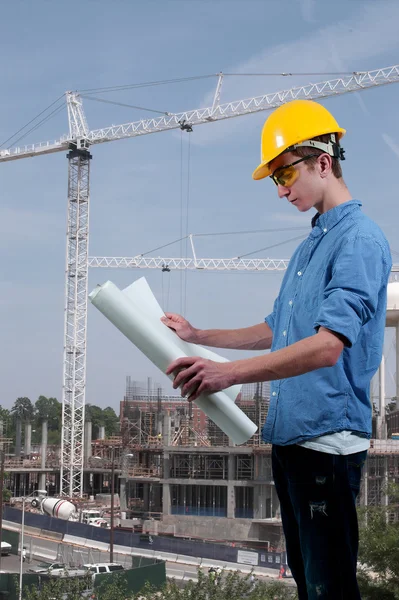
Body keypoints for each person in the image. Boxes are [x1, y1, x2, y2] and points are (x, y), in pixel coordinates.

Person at [161, 99, 392, 600]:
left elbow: (328, 347)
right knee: (311, 586)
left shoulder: (359, 241)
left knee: (329, 589)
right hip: (292, 440)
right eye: (275, 179)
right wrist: (201, 337)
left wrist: (229, 375)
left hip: (327, 443)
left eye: (286, 172)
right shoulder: (310, 247)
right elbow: (277, 328)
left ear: (324, 162)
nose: (282, 187)